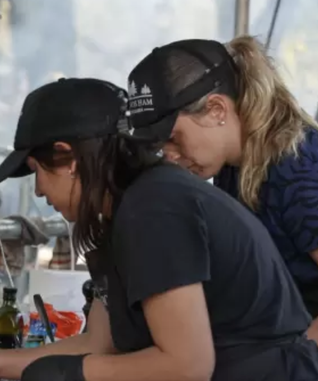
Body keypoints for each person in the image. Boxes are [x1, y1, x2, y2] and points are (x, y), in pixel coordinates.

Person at [0, 78, 318, 381]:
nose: (37, 191)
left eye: (37, 170)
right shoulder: (128, 210)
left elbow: (188, 365)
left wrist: (77, 373)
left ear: (68, 157)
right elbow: (101, 342)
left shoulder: (154, 208)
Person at [126, 37, 318, 342]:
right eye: (159, 146)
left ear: (216, 109)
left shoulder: (294, 166)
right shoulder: (232, 167)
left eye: (174, 138)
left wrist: (297, 364)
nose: (169, 155)